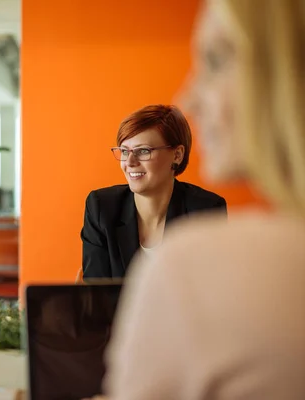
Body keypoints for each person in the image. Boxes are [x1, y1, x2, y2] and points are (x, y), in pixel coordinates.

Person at [103, 0, 305, 398]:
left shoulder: (195, 256)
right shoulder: (104, 207)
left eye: (216, 60)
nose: (189, 98)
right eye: (123, 151)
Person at [81, 104, 226, 279]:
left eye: (143, 151)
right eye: (125, 151)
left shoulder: (206, 210)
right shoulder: (101, 208)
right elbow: (97, 295)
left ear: (177, 155)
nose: (130, 162)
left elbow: (208, 289)